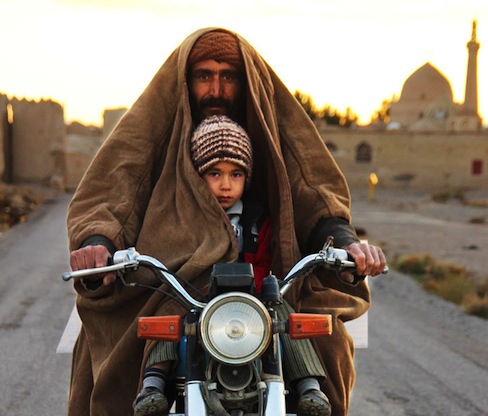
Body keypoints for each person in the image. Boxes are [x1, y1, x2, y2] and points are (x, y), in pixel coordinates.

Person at [67, 28, 386, 416]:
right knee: (104, 359)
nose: (216, 88)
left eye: (228, 75)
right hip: (173, 286)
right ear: (186, 81)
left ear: (245, 81)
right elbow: (116, 185)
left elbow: (314, 188)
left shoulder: (275, 126)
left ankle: (308, 390)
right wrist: (98, 243)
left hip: (269, 289)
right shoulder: (154, 128)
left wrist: (343, 242)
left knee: (330, 344)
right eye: (204, 75)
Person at [133, 115, 331, 416]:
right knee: (169, 310)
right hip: (197, 298)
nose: (226, 184)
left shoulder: (257, 218)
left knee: (283, 318)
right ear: (197, 177)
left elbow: (264, 261)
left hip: (250, 301)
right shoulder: (183, 216)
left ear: (247, 177)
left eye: (236, 174)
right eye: (214, 173)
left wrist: (263, 288)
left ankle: (309, 386)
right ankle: (154, 384)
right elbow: (172, 258)